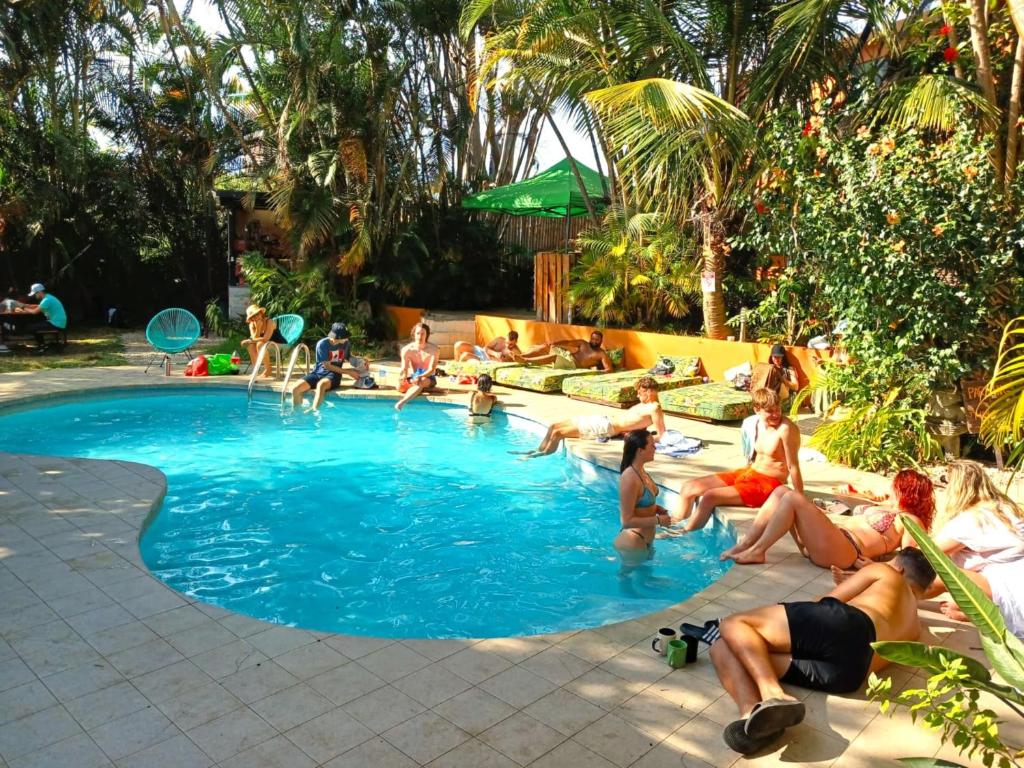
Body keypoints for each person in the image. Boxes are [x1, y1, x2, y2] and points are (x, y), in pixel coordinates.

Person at [709, 549, 935, 755]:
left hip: (850, 625)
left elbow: (824, 602)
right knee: (725, 647)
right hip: (850, 675)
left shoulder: (885, 571)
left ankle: (772, 693)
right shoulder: (915, 626)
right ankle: (753, 717)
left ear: (900, 568)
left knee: (734, 624)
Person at [722, 468, 935, 566]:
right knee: (781, 492)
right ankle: (746, 544)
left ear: (906, 491)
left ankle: (758, 551)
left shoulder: (911, 520)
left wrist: (876, 567)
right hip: (831, 543)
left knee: (794, 499)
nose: (890, 486)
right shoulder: (889, 507)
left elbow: (911, 557)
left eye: (895, 485)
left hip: (846, 551)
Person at [671, 389, 802, 532]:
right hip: (751, 473)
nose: (776, 414)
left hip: (770, 483)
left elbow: (793, 466)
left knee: (710, 497)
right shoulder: (755, 424)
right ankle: (672, 525)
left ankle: (683, 534)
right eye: (770, 411)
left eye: (778, 409)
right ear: (757, 410)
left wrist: (800, 498)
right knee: (689, 487)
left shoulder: (786, 429)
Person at [926, 460, 1024, 639]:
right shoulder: (1005, 509)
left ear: (956, 488)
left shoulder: (972, 520)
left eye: (944, 481)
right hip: (1015, 585)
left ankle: (896, 599)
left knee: (942, 574)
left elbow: (925, 551)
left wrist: (885, 567)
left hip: (1012, 597)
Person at [520, 376, 667, 457]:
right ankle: (538, 450)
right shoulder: (645, 405)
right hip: (604, 420)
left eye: (640, 392)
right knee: (553, 426)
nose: (637, 395)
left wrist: (638, 439)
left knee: (558, 434)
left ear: (648, 391)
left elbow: (661, 434)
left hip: (606, 428)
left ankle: (540, 457)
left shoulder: (655, 408)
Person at [615, 430, 672, 562]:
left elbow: (640, 503)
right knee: (626, 580)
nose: (655, 448)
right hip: (633, 542)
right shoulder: (630, 478)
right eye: (652, 445)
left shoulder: (641, 471)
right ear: (640, 451)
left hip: (645, 541)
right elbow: (626, 521)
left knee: (644, 579)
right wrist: (658, 520)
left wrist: (655, 508)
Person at [290, 322, 359, 410]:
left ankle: (314, 411)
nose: (347, 339)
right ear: (337, 337)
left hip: (334, 374)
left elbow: (348, 357)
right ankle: (297, 414)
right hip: (318, 373)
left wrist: (360, 361)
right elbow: (327, 366)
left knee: (321, 385)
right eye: (345, 337)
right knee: (295, 389)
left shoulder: (346, 344)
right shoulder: (322, 344)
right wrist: (348, 372)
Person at [512, 330, 615, 372]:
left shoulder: (601, 354)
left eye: (597, 340)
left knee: (555, 357)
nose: (594, 341)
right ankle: (522, 355)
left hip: (573, 364)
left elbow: (609, 369)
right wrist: (555, 343)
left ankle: (525, 360)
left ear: (601, 341)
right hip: (568, 356)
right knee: (546, 346)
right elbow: (568, 342)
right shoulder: (583, 343)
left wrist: (596, 372)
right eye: (593, 338)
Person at [395, 322, 439, 411]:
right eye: (418, 333)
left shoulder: (434, 349)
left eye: (423, 333)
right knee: (399, 386)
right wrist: (403, 377)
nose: (420, 336)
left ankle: (402, 402)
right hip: (414, 376)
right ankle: (420, 389)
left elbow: (432, 369)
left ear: (427, 335)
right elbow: (404, 368)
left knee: (420, 381)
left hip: (428, 377)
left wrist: (421, 376)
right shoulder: (407, 349)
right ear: (414, 334)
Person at [15, 283, 67, 347]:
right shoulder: (48, 297)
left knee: (30, 327)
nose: (34, 296)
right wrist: (25, 305)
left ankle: (42, 345)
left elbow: (34, 312)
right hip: (58, 322)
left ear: (39, 292)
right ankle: (42, 344)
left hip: (56, 324)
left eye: (35, 294)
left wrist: (23, 307)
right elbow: (38, 306)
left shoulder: (46, 300)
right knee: (35, 325)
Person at [241, 304, 286, 377]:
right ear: (251, 318)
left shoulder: (269, 322)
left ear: (261, 313)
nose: (256, 317)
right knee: (251, 346)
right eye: (253, 316)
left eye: (257, 314)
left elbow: (266, 339)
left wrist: (250, 340)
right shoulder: (252, 325)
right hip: (266, 345)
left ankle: (268, 369)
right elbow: (254, 339)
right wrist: (258, 328)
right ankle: (255, 370)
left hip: (279, 345)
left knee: (260, 344)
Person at [452, 331, 520, 362]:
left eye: (511, 344)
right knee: (458, 345)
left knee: (465, 355)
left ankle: (457, 372)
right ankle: (455, 366)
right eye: (506, 343)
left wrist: (501, 358)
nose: (508, 346)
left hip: (485, 360)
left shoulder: (515, 351)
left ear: (516, 342)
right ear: (505, 338)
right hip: (481, 351)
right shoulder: (499, 340)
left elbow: (519, 360)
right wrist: (495, 353)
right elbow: (485, 348)